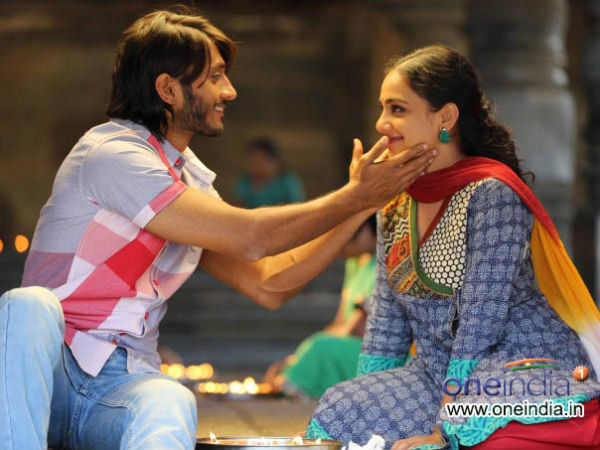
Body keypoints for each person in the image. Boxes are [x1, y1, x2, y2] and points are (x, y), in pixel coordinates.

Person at [0, 7, 438, 450]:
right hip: (45, 372)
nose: (229, 91)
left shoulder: (189, 180)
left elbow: (269, 283)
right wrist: (355, 197)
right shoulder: (112, 153)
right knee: (28, 305)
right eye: (214, 77)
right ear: (168, 89)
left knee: (171, 399)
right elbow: (251, 237)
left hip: (119, 385)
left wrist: (363, 202)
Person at [306, 45, 600, 450]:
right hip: (435, 373)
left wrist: (443, 426)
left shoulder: (492, 194)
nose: (381, 123)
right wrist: (370, 393)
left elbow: (481, 322)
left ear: (445, 117)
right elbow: (387, 326)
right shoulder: (396, 204)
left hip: (517, 366)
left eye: (397, 109)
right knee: (341, 410)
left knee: (472, 432)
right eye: (383, 108)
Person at [265, 215, 377, 398]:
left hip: (376, 348)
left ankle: (294, 387)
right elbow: (340, 321)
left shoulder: (385, 263)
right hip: (348, 339)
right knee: (315, 345)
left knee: (321, 346)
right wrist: (298, 358)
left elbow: (358, 328)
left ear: (366, 230)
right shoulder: (355, 263)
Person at [233, 137, 306, 208]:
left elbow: (297, 209)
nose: (257, 164)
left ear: (275, 161)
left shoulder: (287, 182)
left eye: (262, 159)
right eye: (252, 158)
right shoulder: (243, 183)